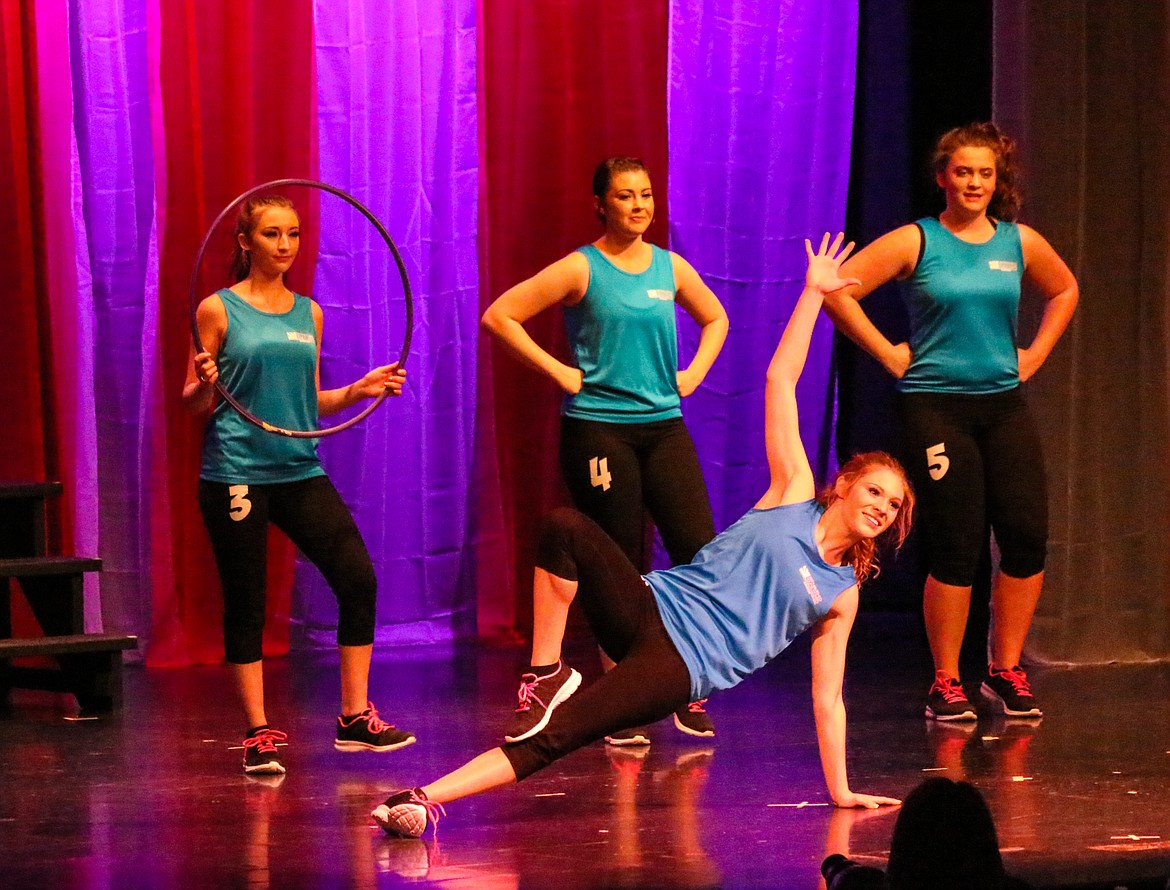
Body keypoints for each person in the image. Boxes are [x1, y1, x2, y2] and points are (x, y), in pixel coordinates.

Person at [372, 233, 913, 838]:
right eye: (875, 492)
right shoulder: (793, 491)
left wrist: (839, 791)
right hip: (650, 602)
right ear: (844, 485)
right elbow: (781, 383)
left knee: (562, 734)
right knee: (565, 525)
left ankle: (423, 799)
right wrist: (812, 294)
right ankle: (546, 672)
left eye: (893, 506)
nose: (882, 508)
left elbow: (828, 699)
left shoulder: (842, 592)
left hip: (680, 666)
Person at [823, 122, 1078, 721]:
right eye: (963, 172)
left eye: (985, 173)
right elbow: (836, 291)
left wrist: (1033, 356)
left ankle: (1005, 668)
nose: (974, 183)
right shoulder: (919, 240)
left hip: (1002, 403)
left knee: (1024, 536)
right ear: (943, 177)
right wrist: (888, 353)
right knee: (957, 544)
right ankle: (946, 680)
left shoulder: (1019, 243)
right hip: (936, 405)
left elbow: (1064, 289)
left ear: (998, 180)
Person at [481, 157, 729, 742]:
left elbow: (715, 318)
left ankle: (685, 683)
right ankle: (621, 700)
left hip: (663, 427)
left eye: (645, 195)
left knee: (698, 550)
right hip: (600, 431)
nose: (639, 205)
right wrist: (558, 371)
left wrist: (691, 375)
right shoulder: (581, 267)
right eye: (625, 196)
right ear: (602, 204)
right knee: (619, 562)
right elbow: (501, 315)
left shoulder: (669, 267)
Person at [182, 194, 416, 775]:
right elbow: (193, 406)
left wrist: (358, 390)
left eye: (292, 234)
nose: (284, 245)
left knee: (357, 578)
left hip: (298, 468)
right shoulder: (218, 310)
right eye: (270, 234)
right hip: (236, 473)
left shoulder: (307, 313)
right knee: (248, 602)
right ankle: (257, 732)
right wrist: (205, 382)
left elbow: (306, 402)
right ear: (245, 242)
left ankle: (354, 718)